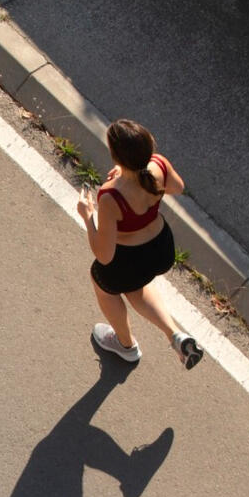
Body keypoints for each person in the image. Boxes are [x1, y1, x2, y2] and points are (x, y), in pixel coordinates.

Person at [74, 119, 204, 370]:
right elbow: (177, 187)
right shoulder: (159, 165)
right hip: (161, 249)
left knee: (103, 284)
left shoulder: (111, 195)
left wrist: (88, 216)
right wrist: (131, 175)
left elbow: (104, 255)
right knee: (135, 287)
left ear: (115, 156)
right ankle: (176, 335)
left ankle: (125, 345)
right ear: (148, 145)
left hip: (128, 261)